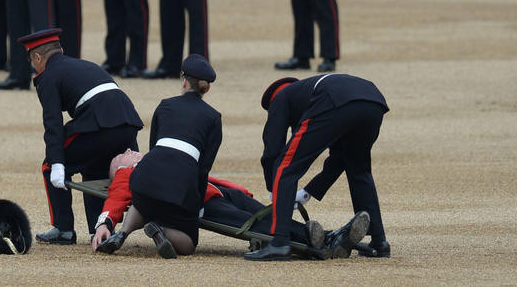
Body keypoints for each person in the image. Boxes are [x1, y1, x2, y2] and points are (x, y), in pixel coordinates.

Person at [245, 74, 389, 261]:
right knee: (358, 168)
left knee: (285, 166)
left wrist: (275, 190)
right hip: (373, 101)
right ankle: (379, 242)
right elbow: (338, 160)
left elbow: (272, 151)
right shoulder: (306, 92)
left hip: (334, 98)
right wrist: (308, 192)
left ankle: (279, 243)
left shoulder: (280, 97)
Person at [20, 28, 144, 245]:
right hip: (127, 123)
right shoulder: (84, 64)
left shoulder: (47, 76)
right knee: (94, 167)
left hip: (100, 125)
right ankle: (100, 227)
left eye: (33, 61)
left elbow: (53, 124)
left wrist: (58, 162)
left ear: (38, 58)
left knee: (49, 166)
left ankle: (63, 229)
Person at [95, 54, 220, 257]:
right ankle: (160, 230)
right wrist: (194, 205)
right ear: (207, 88)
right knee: (189, 244)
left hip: (146, 177)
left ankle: (123, 233)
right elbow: (203, 168)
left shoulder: (165, 105)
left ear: (184, 81)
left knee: (143, 202)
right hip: (180, 185)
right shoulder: (213, 117)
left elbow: (153, 148)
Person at [92, 151, 329, 256]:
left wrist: (237, 191)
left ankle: (312, 234)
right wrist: (105, 223)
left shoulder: (157, 158)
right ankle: (310, 239)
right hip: (202, 203)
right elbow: (117, 197)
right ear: (119, 168)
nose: (128, 150)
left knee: (267, 213)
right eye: (121, 156)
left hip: (218, 193)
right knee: (252, 224)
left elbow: (206, 175)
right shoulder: (128, 172)